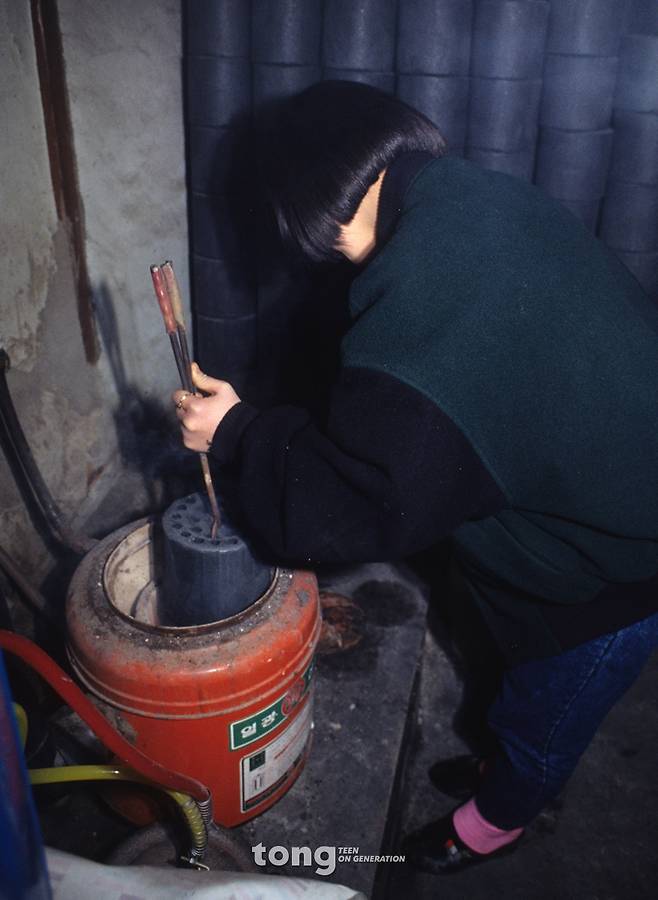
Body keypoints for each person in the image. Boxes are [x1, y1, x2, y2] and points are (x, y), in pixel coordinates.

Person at [173, 81, 658, 875]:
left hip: (615, 573)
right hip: (613, 481)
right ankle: (506, 763)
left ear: (307, 205)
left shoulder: (434, 296)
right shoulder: (460, 197)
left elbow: (350, 504)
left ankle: (501, 815)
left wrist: (234, 432)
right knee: (519, 693)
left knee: (545, 716)